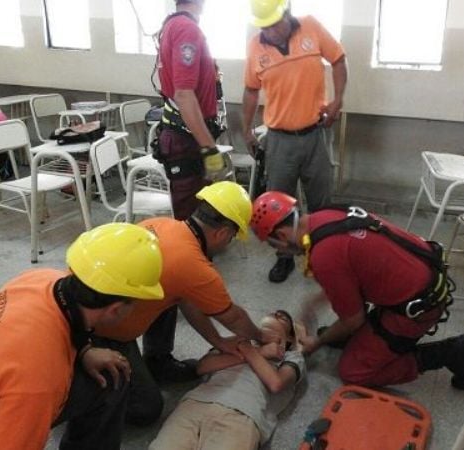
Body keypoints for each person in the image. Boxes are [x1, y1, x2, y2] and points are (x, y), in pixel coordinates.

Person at [0, 223, 165, 450]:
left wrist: (84, 350)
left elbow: (63, 322)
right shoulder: (38, 377)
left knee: (111, 376)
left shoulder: (41, 280)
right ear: (116, 309)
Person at [86, 181, 272, 429]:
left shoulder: (164, 225)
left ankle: (157, 362)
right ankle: (83, 386)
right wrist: (262, 337)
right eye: (232, 237)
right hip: (99, 334)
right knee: (147, 409)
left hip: (94, 310)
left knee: (171, 290)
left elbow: (187, 299)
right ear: (223, 233)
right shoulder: (195, 266)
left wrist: (218, 341)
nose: (229, 242)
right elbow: (234, 318)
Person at [250, 191, 464, 390]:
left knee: (353, 371)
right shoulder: (325, 215)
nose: (277, 251)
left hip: (417, 307)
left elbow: (353, 319)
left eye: (273, 245)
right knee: (341, 333)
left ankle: (451, 352)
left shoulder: (324, 256)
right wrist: (315, 303)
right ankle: (363, 337)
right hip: (423, 272)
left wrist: (317, 342)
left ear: (281, 236)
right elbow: (352, 269)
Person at [241, 0, 349, 283]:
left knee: (321, 202)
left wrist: (337, 100)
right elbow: (251, 91)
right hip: (279, 140)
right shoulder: (255, 46)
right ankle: (285, 257)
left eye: (274, 24)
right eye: (264, 27)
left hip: (316, 134)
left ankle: (323, 255)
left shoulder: (311, 26)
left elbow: (338, 59)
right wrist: (246, 130)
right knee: (279, 206)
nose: (270, 32)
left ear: (286, 14)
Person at [149, 310, 306, 450]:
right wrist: (259, 351)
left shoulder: (291, 357)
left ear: (290, 337)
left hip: (241, 415)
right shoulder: (236, 340)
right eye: (272, 314)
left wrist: (248, 350)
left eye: (283, 318)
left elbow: (276, 383)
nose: (275, 315)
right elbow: (202, 366)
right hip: (196, 403)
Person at [154, 0, 226, 220]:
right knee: (192, 219)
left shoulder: (172, 25)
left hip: (186, 135)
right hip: (185, 139)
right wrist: (209, 148)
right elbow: (184, 94)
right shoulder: (186, 28)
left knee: (197, 214)